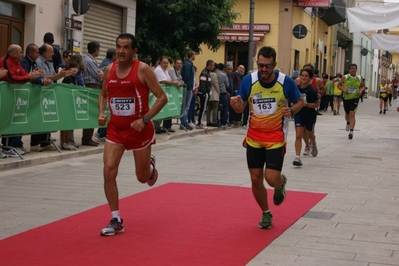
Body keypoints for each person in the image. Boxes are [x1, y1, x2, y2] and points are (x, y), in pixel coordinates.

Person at [98, 33, 167, 236]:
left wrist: (144, 119)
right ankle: (116, 219)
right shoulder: (109, 69)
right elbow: (103, 94)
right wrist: (101, 112)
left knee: (142, 177)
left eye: (126, 47)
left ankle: (150, 166)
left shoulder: (142, 70)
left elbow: (161, 98)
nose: (121, 51)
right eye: (118, 46)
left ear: (134, 51)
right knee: (108, 171)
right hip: (116, 130)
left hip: (139, 130)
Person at [230, 46, 303, 229]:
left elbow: (300, 101)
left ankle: (280, 183)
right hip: (254, 137)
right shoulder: (249, 80)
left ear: (274, 65)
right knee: (255, 179)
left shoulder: (286, 82)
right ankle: (266, 213)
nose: (263, 70)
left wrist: (291, 110)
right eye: (260, 65)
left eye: (267, 66)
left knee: (271, 178)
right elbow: (240, 108)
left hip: (276, 139)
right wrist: (236, 105)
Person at [0, 44, 44, 157]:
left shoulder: (17, 61)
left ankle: (9, 146)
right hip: (6, 96)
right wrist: (29, 77)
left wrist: (29, 76)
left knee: (13, 120)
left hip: (13, 97)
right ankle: (6, 146)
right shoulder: (5, 61)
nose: (22, 54)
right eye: (20, 52)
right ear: (15, 54)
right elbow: (11, 78)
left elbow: (23, 75)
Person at [20, 43, 52, 153]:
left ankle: (37, 141)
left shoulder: (34, 62)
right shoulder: (24, 62)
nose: (38, 54)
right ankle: (15, 144)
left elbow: (37, 76)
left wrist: (40, 79)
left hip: (35, 94)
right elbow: (28, 77)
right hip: (24, 94)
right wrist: (41, 81)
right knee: (19, 118)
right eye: (36, 52)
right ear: (30, 53)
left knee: (37, 117)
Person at [292, 68, 318, 167]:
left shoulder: (311, 90)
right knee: (299, 135)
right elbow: (293, 100)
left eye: (306, 76)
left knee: (309, 133)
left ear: (310, 78)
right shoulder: (296, 88)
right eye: (302, 75)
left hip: (310, 114)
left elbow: (316, 104)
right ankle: (297, 157)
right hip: (298, 114)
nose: (303, 77)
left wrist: (305, 104)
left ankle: (313, 142)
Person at [82, 41, 104, 146]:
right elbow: (98, 74)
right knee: (91, 113)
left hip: (94, 86)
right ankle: (86, 138)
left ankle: (87, 137)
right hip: (91, 86)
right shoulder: (89, 60)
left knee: (92, 112)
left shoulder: (90, 60)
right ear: (96, 50)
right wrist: (102, 75)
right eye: (99, 49)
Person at [153, 56, 182, 133]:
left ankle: (159, 126)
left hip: (165, 93)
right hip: (158, 93)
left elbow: (168, 80)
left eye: (167, 63)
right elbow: (163, 81)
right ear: (160, 62)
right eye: (164, 63)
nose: (166, 64)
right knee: (159, 110)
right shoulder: (158, 70)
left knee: (164, 110)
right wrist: (174, 83)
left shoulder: (165, 71)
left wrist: (174, 83)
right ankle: (156, 126)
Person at [338, 64, 365, 139]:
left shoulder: (359, 78)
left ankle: (351, 131)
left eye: (354, 68)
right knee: (347, 115)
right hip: (346, 98)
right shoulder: (345, 77)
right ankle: (348, 122)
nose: (353, 69)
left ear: (356, 69)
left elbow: (363, 86)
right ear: (349, 70)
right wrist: (344, 90)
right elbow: (339, 85)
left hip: (355, 98)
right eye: (352, 68)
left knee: (352, 114)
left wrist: (360, 90)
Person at [95, 48, 117, 142]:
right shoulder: (108, 66)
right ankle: (101, 132)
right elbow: (103, 94)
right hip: (108, 95)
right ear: (113, 56)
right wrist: (101, 113)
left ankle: (103, 131)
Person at [60, 62, 80, 150]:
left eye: (76, 67)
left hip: (72, 104)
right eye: (73, 67)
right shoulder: (67, 79)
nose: (75, 69)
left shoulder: (75, 79)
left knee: (70, 124)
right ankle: (64, 142)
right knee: (65, 124)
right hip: (66, 104)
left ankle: (69, 141)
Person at [196, 60, 214, 129]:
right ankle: (200, 123)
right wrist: (204, 92)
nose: (213, 67)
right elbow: (203, 83)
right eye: (212, 65)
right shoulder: (204, 73)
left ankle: (200, 122)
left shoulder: (207, 73)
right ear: (209, 65)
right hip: (204, 93)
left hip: (206, 93)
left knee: (203, 108)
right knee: (203, 108)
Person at [181, 51, 196, 130]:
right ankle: (183, 122)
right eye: (194, 55)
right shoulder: (188, 64)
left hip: (189, 87)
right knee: (185, 106)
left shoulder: (189, 64)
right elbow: (187, 76)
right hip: (188, 88)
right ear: (192, 55)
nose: (195, 56)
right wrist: (188, 87)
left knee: (186, 106)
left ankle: (184, 122)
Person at [216, 63, 230, 128]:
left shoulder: (215, 74)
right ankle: (223, 121)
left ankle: (216, 120)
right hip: (223, 92)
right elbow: (227, 84)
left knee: (216, 107)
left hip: (216, 92)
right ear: (223, 68)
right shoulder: (223, 75)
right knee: (224, 107)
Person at [206, 63, 220, 127]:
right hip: (214, 93)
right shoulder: (214, 74)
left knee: (209, 108)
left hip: (209, 93)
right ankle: (214, 121)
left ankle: (208, 121)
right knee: (215, 108)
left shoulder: (208, 73)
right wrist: (218, 92)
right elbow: (216, 84)